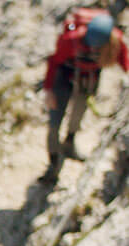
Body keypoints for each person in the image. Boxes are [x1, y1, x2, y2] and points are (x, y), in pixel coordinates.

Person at [41, 10, 129, 183]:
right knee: (54, 124)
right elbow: (54, 62)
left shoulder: (114, 40)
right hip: (64, 79)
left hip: (87, 81)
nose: (94, 48)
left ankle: (69, 144)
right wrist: (49, 91)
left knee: (77, 115)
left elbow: (125, 60)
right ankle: (54, 164)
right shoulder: (71, 40)